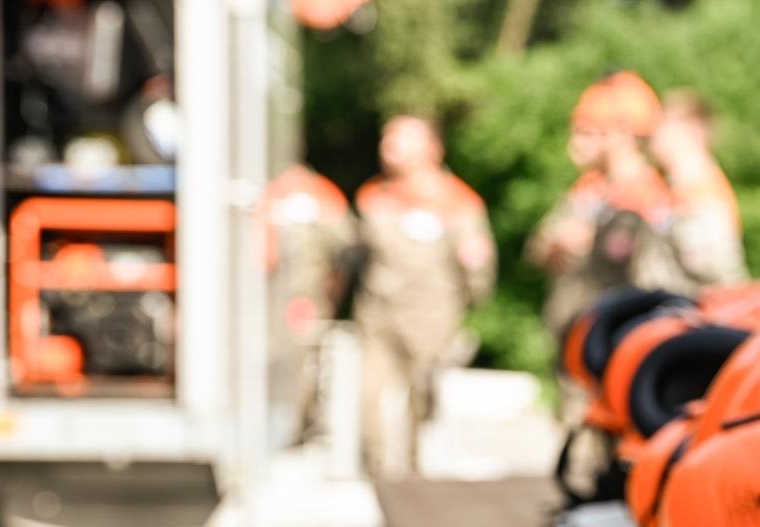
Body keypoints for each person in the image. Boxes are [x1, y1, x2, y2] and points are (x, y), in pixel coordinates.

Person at [355, 115, 496, 477]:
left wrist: (469, 304)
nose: (388, 145)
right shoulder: (374, 196)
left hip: (430, 315)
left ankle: (418, 476)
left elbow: (477, 262)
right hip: (378, 312)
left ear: (432, 148)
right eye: (387, 137)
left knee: (422, 397)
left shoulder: (457, 202)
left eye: (401, 138)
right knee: (370, 395)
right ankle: (378, 473)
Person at [527, 71, 684, 336]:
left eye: (587, 132)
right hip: (576, 332)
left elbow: (652, 283)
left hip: (613, 337)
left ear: (619, 135)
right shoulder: (590, 188)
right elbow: (538, 250)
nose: (574, 144)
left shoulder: (646, 196)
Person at [261, 161, 356, 443]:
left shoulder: (324, 201)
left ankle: (297, 427)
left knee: (302, 364)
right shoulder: (267, 198)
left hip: (304, 299)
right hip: (269, 301)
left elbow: (345, 255)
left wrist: (326, 295)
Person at [649, 89, 747, 290]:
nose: (654, 135)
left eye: (664, 124)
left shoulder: (702, 189)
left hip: (701, 309)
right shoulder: (676, 187)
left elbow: (716, 270)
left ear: (693, 128)